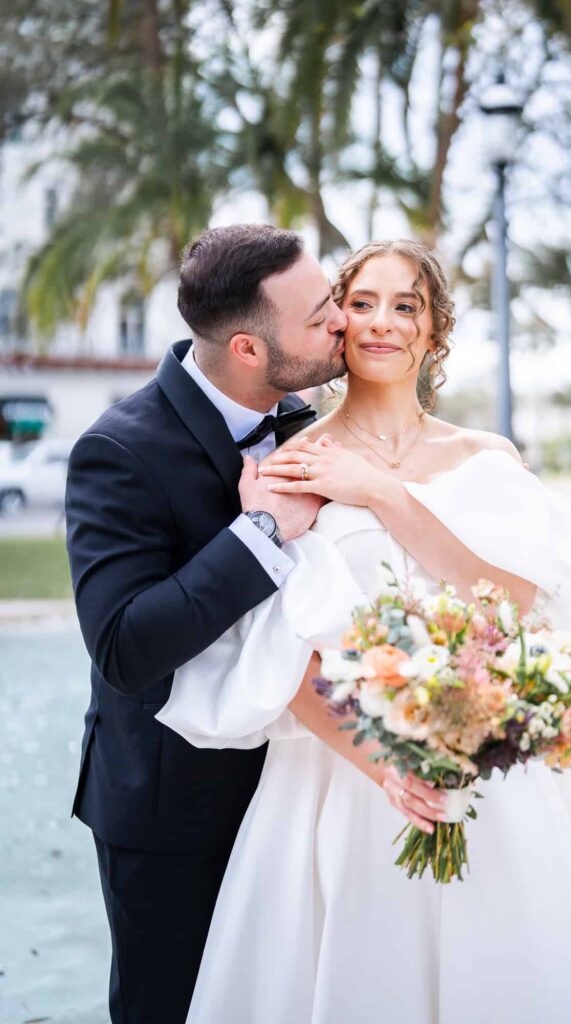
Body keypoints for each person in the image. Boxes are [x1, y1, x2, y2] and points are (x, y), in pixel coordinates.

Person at [160, 240, 571, 1022]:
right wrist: (389, 770)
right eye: (363, 303)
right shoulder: (289, 466)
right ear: (336, 324)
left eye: (405, 305)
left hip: (481, 779)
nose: (382, 322)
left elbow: (511, 599)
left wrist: (379, 492)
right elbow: (284, 656)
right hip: (338, 784)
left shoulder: (486, 459)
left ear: (434, 331)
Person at [64, 223, 350, 1024]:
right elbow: (124, 646)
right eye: (321, 311)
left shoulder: (324, 428)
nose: (342, 322)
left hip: (301, 793)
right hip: (174, 814)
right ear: (249, 351)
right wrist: (261, 534)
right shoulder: (117, 451)